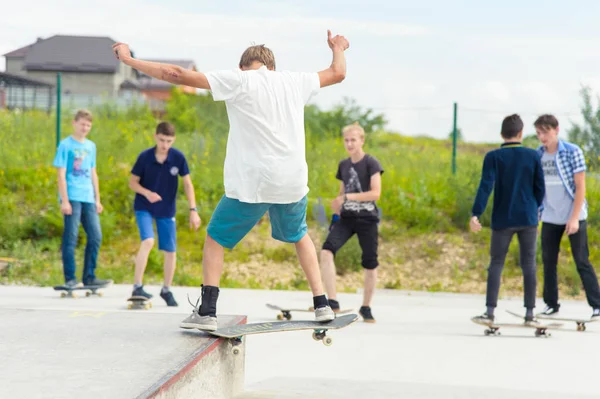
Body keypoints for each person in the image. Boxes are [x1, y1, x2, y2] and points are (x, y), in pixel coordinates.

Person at [112, 29, 349, 330]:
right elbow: (338, 72)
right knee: (299, 235)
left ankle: (207, 310)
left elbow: (176, 74)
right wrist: (338, 46)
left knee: (215, 239)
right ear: (271, 67)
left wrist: (131, 60)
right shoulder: (294, 81)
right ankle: (322, 304)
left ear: (242, 66)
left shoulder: (239, 80)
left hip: (252, 182)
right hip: (291, 181)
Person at [470, 114, 545, 323]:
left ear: (502, 134)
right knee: (528, 264)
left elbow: (486, 186)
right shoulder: (533, 156)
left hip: (502, 219)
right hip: (528, 218)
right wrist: (535, 207)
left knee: (496, 263)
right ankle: (530, 313)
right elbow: (540, 188)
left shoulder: (493, 157)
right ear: (521, 133)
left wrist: (476, 213)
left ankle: (490, 311)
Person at [534, 114, 600, 319]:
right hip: (550, 215)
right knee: (548, 260)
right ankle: (551, 304)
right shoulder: (538, 155)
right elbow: (537, 187)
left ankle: (597, 305)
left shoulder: (572, 152)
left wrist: (573, 218)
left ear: (556, 130)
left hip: (574, 214)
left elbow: (580, 187)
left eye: (546, 132)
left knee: (581, 260)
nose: (542, 137)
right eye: (538, 133)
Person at [128, 121, 201, 306]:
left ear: (173, 139)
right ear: (155, 136)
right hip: (144, 205)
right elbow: (132, 183)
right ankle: (137, 286)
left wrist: (193, 210)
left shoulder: (178, 158)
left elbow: (187, 184)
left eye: (169, 141)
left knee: (171, 250)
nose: (165, 145)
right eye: (162, 140)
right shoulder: (144, 157)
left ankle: (166, 289)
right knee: (148, 241)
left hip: (166, 208)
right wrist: (147, 193)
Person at [319, 122, 383, 323]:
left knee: (370, 264)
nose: (349, 144)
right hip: (346, 218)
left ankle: (366, 307)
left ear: (362, 140)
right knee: (326, 251)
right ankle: (332, 301)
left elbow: (376, 193)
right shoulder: (343, 165)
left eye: (353, 140)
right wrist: (337, 207)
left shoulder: (371, 163)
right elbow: (341, 192)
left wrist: (347, 197)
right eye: (346, 140)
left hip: (367, 219)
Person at [53, 109, 111, 288]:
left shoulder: (91, 146)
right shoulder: (65, 145)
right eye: (82, 124)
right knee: (71, 236)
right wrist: (64, 200)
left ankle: (89, 276)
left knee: (95, 236)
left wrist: (97, 198)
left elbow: (93, 172)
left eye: (88, 125)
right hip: (72, 196)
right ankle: (70, 278)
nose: (85, 128)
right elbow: (61, 174)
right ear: (74, 123)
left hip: (88, 197)